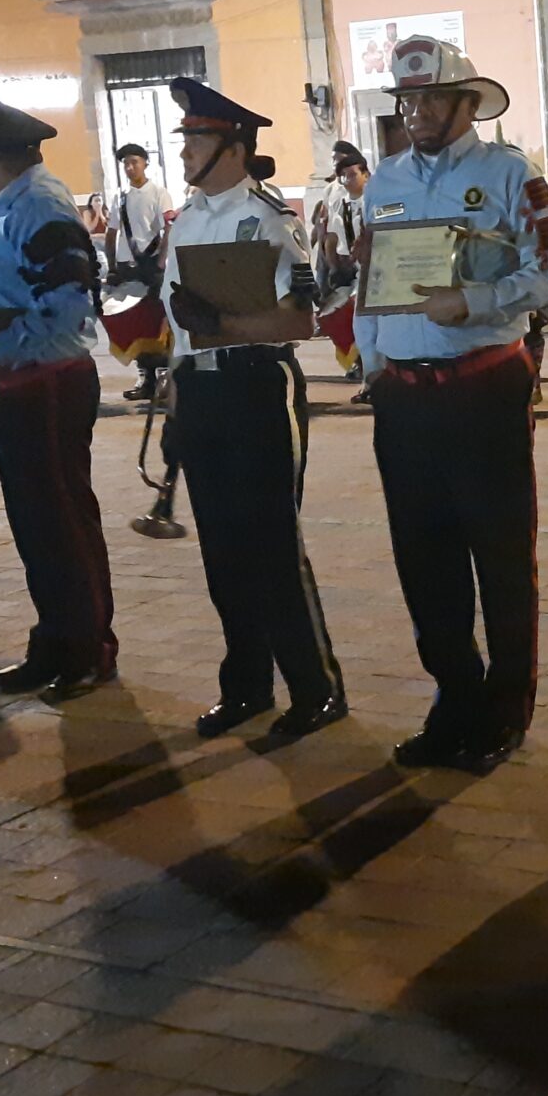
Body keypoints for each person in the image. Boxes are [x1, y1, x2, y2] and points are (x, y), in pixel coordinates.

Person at [353, 35, 548, 772]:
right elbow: (367, 279)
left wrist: (476, 301)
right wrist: (374, 364)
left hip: (483, 386)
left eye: (427, 99)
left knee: (501, 553)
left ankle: (506, 708)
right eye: (405, 101)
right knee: (423, 556)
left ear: (466, 103)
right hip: (405, 398)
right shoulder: (382, 181)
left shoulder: (510, 174)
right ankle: (454, 696)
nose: (413, 112)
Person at [158, 79, 349, 741]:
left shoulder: (270, 220)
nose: (184, 152)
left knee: (270, 546)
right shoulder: (186, 219)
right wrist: (177, 388)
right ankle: (247, 684)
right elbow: (179, 324)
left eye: (198, 141)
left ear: (233, 149)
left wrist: (224, 327)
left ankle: (315, 687)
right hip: (202, 390)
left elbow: (300, 321)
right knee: (221, 549)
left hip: (256, 386)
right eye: (185, 140)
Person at [0, 80, 118, 696]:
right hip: (14, 388)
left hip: (44, 387)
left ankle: (88, 649)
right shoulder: (12, 203)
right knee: (35, 522)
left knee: (62, 521)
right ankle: (55, 640)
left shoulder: (39, 207)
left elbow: (71, 306)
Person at [106, 142, 174, 402]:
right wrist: (112, 265)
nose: (130, 167)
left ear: (146, 163)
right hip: (127, 267)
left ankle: (163, 375)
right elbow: (112, 232)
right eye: (126, 163)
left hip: (151, 265)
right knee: (133, 321)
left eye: (135, 161)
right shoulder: (120, 197)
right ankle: (144, 375)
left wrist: (162, 259)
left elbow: (169, 228)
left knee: (156, 320)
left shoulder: (158, 193)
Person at [312, 141, 370, 382]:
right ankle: (359, 364)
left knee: (365, 321)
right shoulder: (340, 203)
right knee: (338, 317)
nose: (347, 180)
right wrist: (334, 266)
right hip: (351, 269)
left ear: (365, 174)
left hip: (376, 270)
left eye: (352, 174)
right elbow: (332, 237)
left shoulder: (376, 201)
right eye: (343, 176)